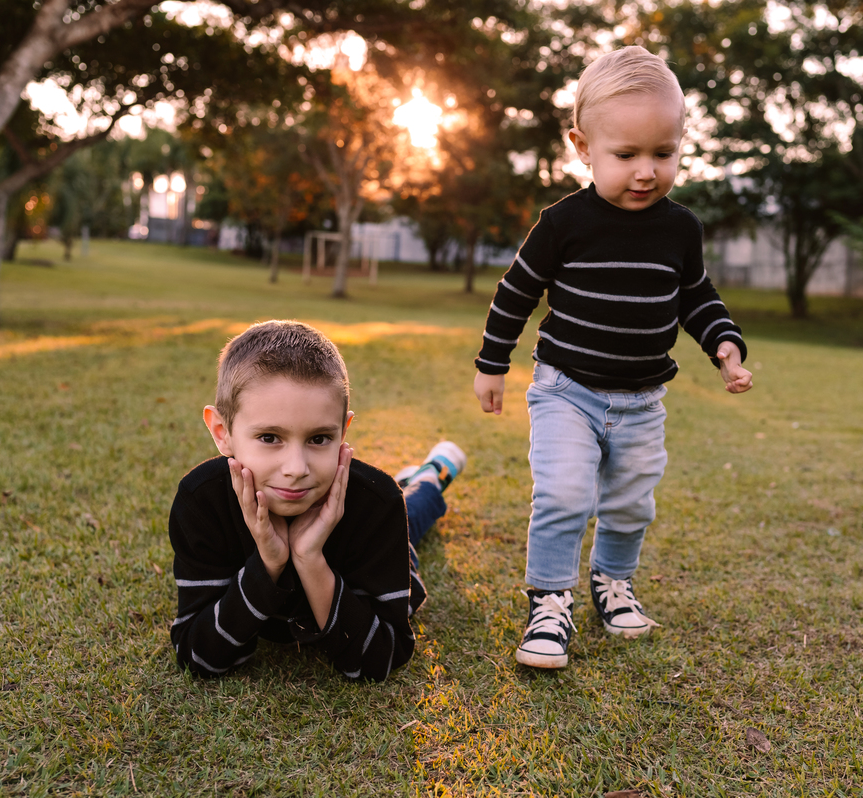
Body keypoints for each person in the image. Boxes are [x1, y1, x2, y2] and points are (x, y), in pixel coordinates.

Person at [472, 46, 754, 669]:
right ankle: (549, 603)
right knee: (565, 495)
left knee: (631, 505)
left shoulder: (680, 228)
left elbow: (695, 296)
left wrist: (725, 345)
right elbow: (516, 291)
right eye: (626, 156)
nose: (646, 172)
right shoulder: (564, 223)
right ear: (583, 146)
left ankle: (612, 583)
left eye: (664, 153)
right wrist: (492, 364)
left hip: (642, 400)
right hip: (566, 389)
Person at [168, 319, 465, 681]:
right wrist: (269, 563)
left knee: (410, 519)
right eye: (269, 437)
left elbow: (381, 660)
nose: (296, 469)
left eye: (320, 439)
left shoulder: (377, 504)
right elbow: (198, 656)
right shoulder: (202, 502)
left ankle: (432, 476)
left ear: (344, 432)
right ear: (222, 432)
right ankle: (422, 477)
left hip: (383, 525)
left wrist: (310, 560)